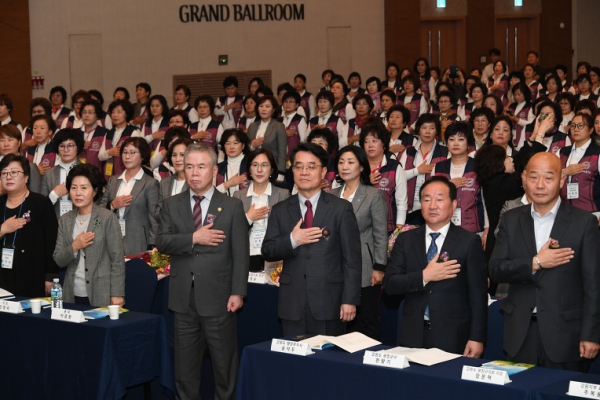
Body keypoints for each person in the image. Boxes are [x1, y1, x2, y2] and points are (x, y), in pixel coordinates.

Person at [490, 152, 600, 371]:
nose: (540, 185)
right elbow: (495, 269)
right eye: (533, 177)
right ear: (523, 179)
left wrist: (591, 333)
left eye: (548, 178)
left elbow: (594, 284)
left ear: (560, 181)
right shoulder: (510, 219)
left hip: (566, 334)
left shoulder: (584, 222)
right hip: (520, 332)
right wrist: (535, 262)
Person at [156, 143, 249, 400]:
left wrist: (238, 291)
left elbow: (240, 254)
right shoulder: (171, 204)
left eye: (201, 166)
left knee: (224, 367)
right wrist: (193, 238)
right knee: (184, 370)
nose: (194, 173)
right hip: (183, 298)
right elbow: (162, 241)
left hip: (220, 298)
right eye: (189, 166)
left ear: (214, 170)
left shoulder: (231, 207)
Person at [262, 142, 361, 336]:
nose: (304, 172)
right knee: (293, 362)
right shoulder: (280, 209)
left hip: (330, 300)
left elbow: (352, 260)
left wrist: (349, 299)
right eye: (298, 166)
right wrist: (292, 239)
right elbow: (268, 250)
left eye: (311, 166)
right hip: (292, 302)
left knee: (328, 363)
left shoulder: (340, 209)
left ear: (323, 171)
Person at [383, 176, 488, 356]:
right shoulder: (406, 239)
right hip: (413, 334)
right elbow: (390, 284)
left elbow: (478, 296)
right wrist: (424, 276)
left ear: (454, 204)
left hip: (453, 335)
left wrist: (477, 338)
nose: (432, 205)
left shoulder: (469, 241)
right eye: (426, 199)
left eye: (439, 199)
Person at [330, 145, 387, 340]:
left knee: (365, 320)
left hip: (364, 266)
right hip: (335, 264)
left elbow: (380, 233)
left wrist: (379, 266)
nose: (345, 166)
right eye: (341, 162)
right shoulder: (330, 194)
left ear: (362, 167)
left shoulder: (373, 195)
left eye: (350, 162)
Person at [53, 164, 125, 307]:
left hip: (101, 292)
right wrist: (74, 246)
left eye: (84, 188)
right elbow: (58, 259)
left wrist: (117, 293)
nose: (78, 193)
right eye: (74, 188)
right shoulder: (65, 220)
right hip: (71, 292)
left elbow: (117, 259)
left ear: (94, 191)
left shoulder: (107, 218)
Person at [0, 154, 58, 297]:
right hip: (2, 276)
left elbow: (52, 242)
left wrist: (50, 276)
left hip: (33, 275)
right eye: (4, 173)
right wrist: (2, 229)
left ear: (26, 177)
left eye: (14, 172)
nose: (8, 177)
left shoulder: (40, 203)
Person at [233, 148, 290, 272]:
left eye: (264, 165)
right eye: (255, 165)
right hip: (247, 255)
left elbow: (287, 229)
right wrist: (248, 218)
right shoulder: (238, 196)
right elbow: (233, 231)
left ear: (272, 169)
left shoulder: (283, 194)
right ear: (249, 169)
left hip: (274, 256)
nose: (259, 170)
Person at [100, 137, 159, 255]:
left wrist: (152, 245)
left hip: (138, 243)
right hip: (112, 240)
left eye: (132, 152)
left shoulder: (150, 183)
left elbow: (154, 218)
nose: (127, 156)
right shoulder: (114, 180)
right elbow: (100, 208)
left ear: (142, 156)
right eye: (125, 152)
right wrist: (112, 205)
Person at [400, 113, 449, 225]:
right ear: (418, 130)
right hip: (410, 206)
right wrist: (417, 171)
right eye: (424, 128)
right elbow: (399, 176)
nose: (427, 132)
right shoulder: (408, 152)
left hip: (435, 205)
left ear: (437, 131)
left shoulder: (445, 152)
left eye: (431, 128)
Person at [360, 121, 408, 232]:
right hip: (361, 227)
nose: (370, 145)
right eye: (366, 141)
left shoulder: (394, 167)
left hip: (388, 227)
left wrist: (399, 228)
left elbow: (401, 202)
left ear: (384, 144)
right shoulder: (358, 166)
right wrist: (365, 182)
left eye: (374, 141)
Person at [559, 112, 600, 217]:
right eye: (573, 126)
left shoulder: (597, 153)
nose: (576, 129)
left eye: (580, 125)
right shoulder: (561, 152)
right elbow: (549, 176)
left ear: (591, 130)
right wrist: (565, 171)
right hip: (565, 211)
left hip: (592, 213)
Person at [41, 129, 84, 218]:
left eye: (70, 146)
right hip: (55, 222)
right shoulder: (49, 174)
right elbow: (41, 206)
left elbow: (96, 202)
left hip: (81, 222)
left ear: (78, 147)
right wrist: (54, 194)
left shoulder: (86, 171)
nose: (66, 150)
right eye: (62, 146)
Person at [98, 99, 143, 182]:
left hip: (128, 177)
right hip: (108, 177)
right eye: (113, 112)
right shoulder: (108, 133)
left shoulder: (134, 132)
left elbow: (139, 154)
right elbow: (100, 156)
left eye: (119, 112)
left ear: (126, 114)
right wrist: (109, 152)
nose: (115, 115)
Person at [247, 95, 287, 178]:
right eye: (261, 106)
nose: (263, 109)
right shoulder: (252, 126)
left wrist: (280, 172)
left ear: (273, 110)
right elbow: (247, 149)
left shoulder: (279, 126)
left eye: (267, 106)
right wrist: (252, 146)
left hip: (272, 167)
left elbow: (282, 152)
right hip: (255, 167)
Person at [156, 137, 191, 217]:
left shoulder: (196, 182)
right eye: (174, 155)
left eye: (182, 155)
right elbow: (157, 213)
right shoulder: (164, 183)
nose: (177, 159)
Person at [0, 125, 42, 193]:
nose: (6, 144)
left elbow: (36, 197)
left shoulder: (31, 167)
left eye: (10, 140)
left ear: (19, 143)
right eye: (1, 140)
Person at [216, 128, 250, 196]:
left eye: (235, 143)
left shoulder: (251, 164)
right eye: (228, 143)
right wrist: (227, 184)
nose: (231, 147)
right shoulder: (218, 168)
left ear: (243, 146)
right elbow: (210, 194)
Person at [79, 99, 109, 173]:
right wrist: (80, 146)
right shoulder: (75, 133)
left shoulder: (105, 133)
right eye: (84, 112)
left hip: (98, 175)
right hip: (78, 174)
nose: (86, 115)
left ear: (97, 115)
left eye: (90, 112)